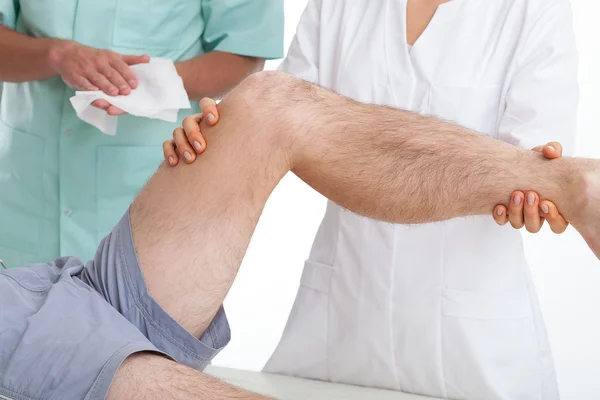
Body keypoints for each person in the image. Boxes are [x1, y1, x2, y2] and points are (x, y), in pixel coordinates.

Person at [1, 71, 599, 400]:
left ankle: (580, 184)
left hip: (63, 292)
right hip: (27, 345)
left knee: (270, 103)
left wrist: (209, 117)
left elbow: (299, 95)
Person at [225, 1, 577, 399]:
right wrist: (217, 131)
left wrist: (345, 147)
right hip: (344, 316)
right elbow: (278, 122)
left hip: (472, 337)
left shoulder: (532, 9)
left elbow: (538, 170)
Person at [0, 0, 284, 267]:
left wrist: (146, 85)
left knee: (138, 309)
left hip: (150, 194)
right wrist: (55, 55)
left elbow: (245, 52)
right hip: (26, 195)